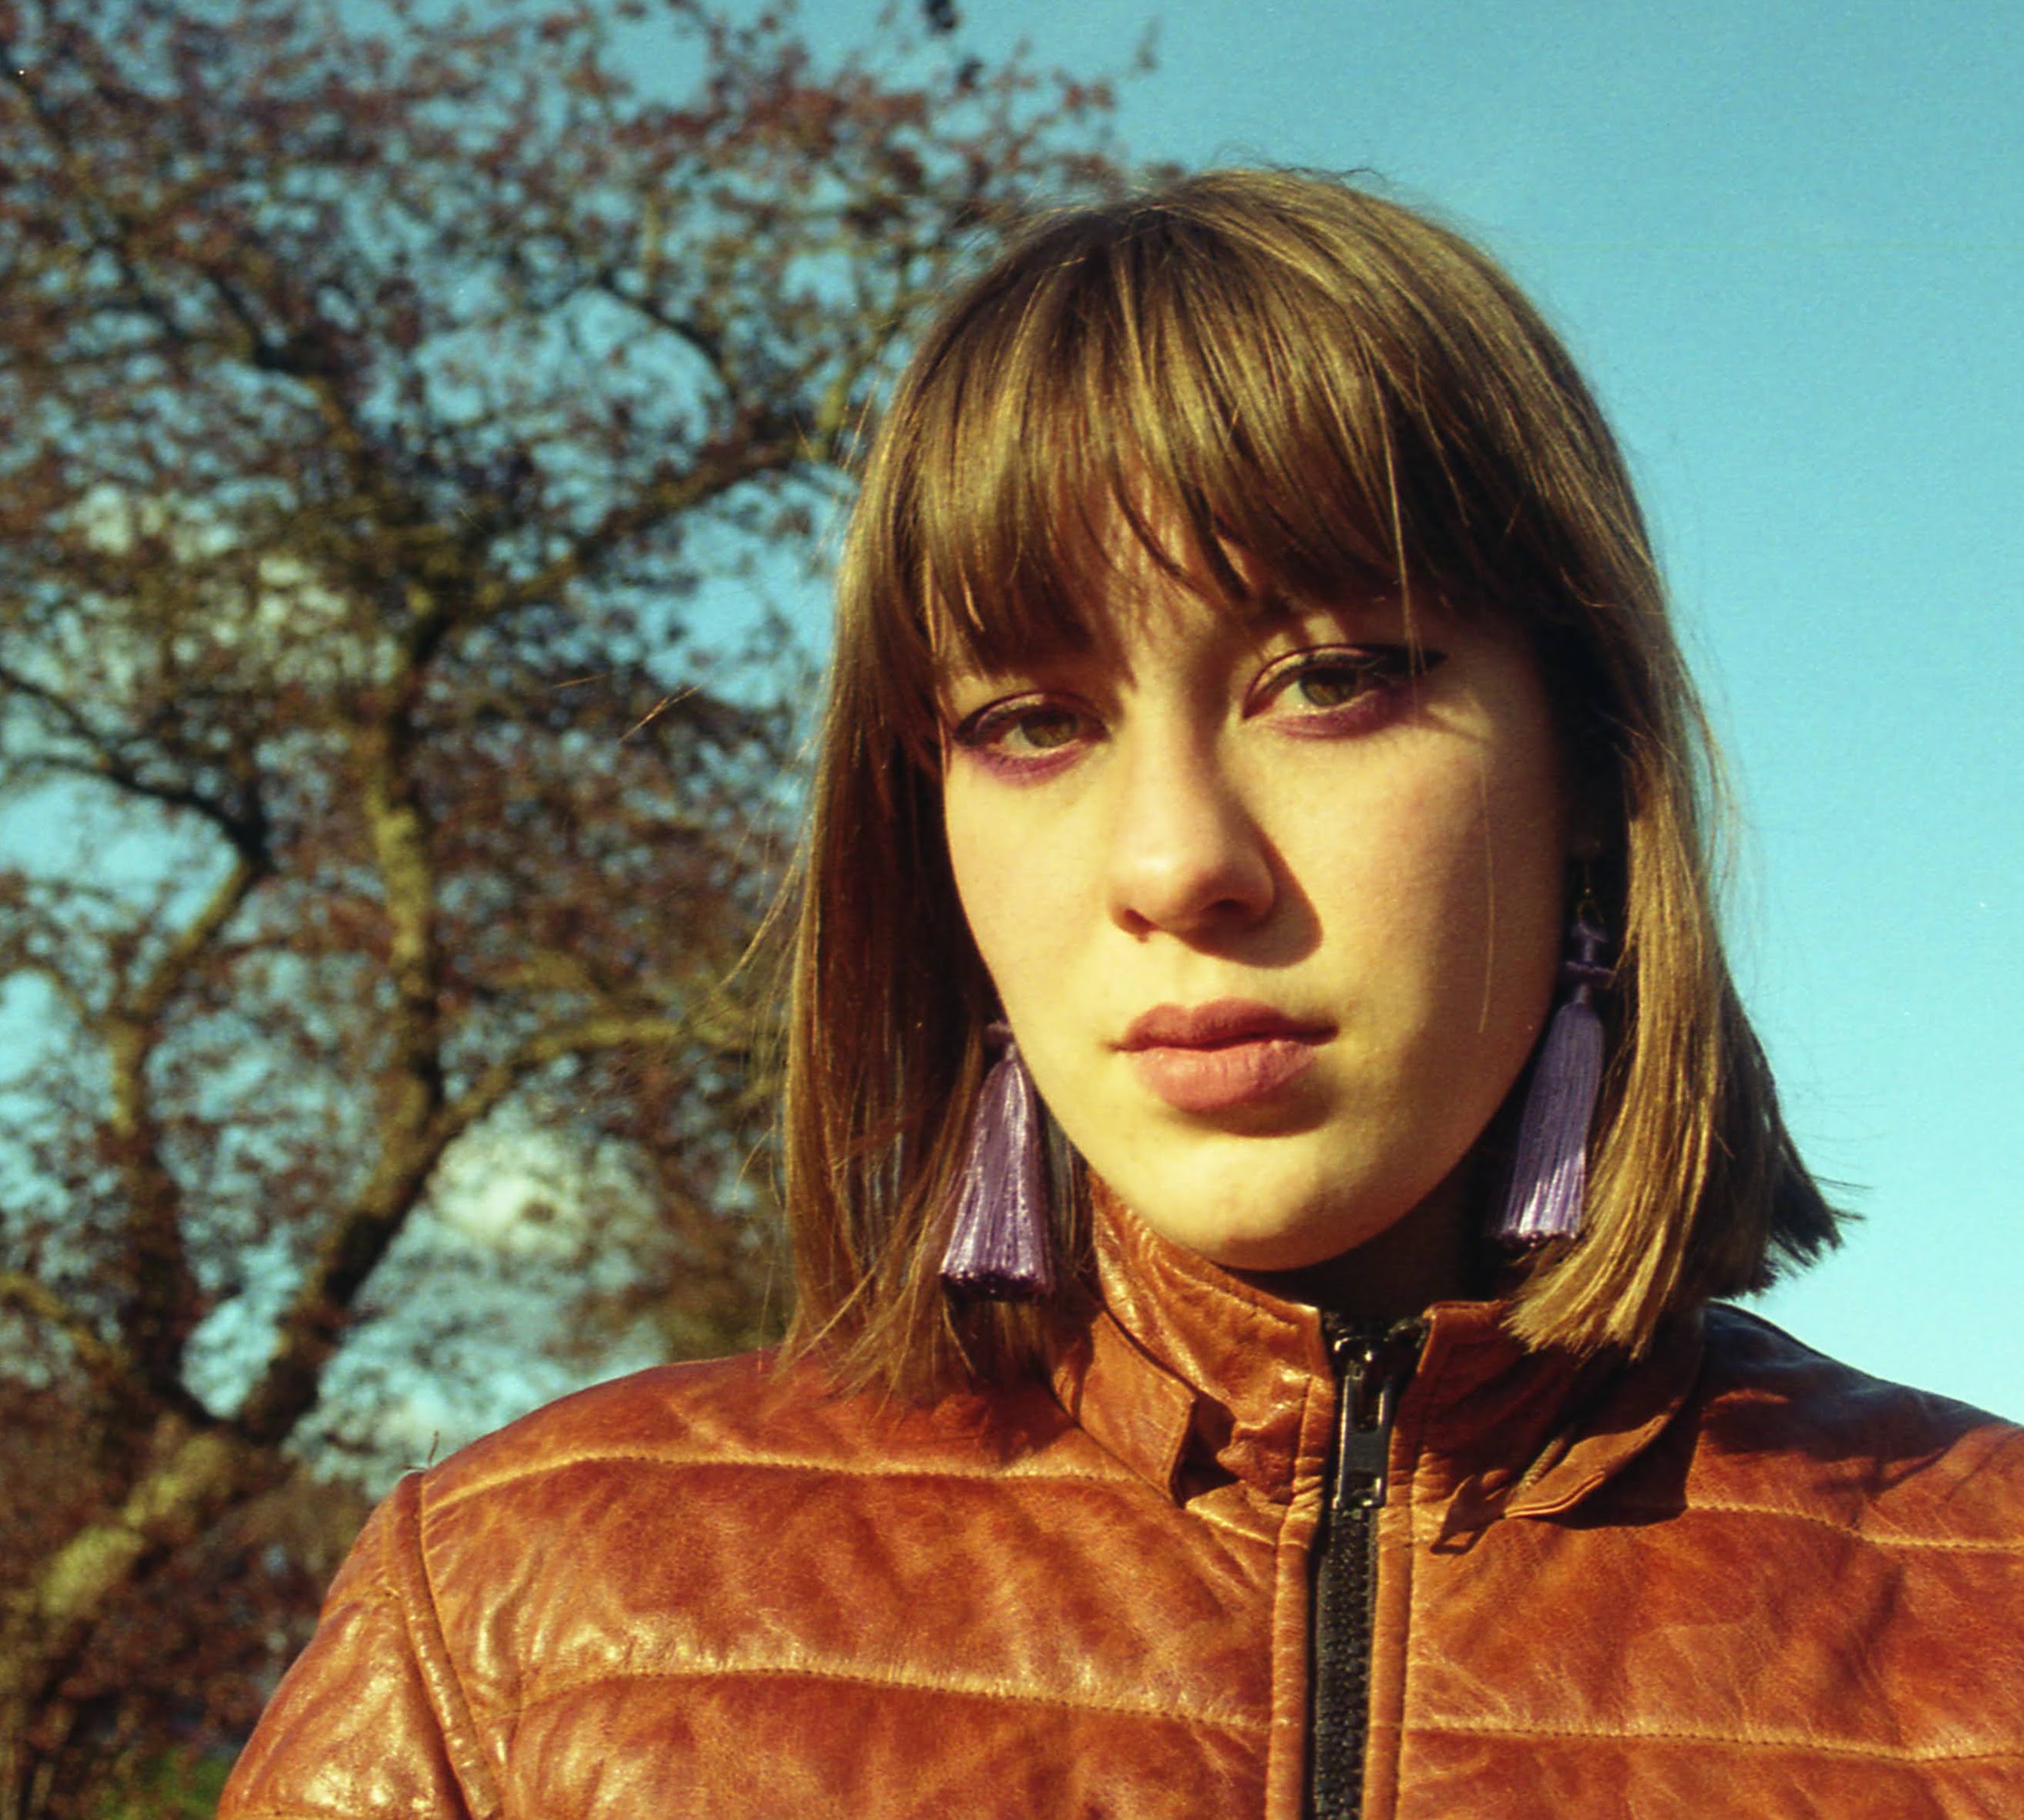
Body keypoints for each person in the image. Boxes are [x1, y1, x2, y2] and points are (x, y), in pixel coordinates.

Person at [219, 170, 2024, 1820]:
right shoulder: (511, 1633)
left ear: (1585, 756)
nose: (1173, 862)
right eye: (1030, 720)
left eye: (1329, 678)